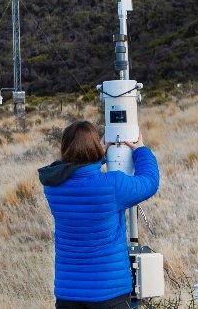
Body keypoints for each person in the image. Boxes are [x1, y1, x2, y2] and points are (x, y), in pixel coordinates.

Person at [38, 121, 159, 308]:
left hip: (68, 293)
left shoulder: (53, 187)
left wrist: (96, 159)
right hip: (109, 292)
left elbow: (76, 174)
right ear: (95, 146)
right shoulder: (111, 185)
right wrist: (141, 151)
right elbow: (149, 182)